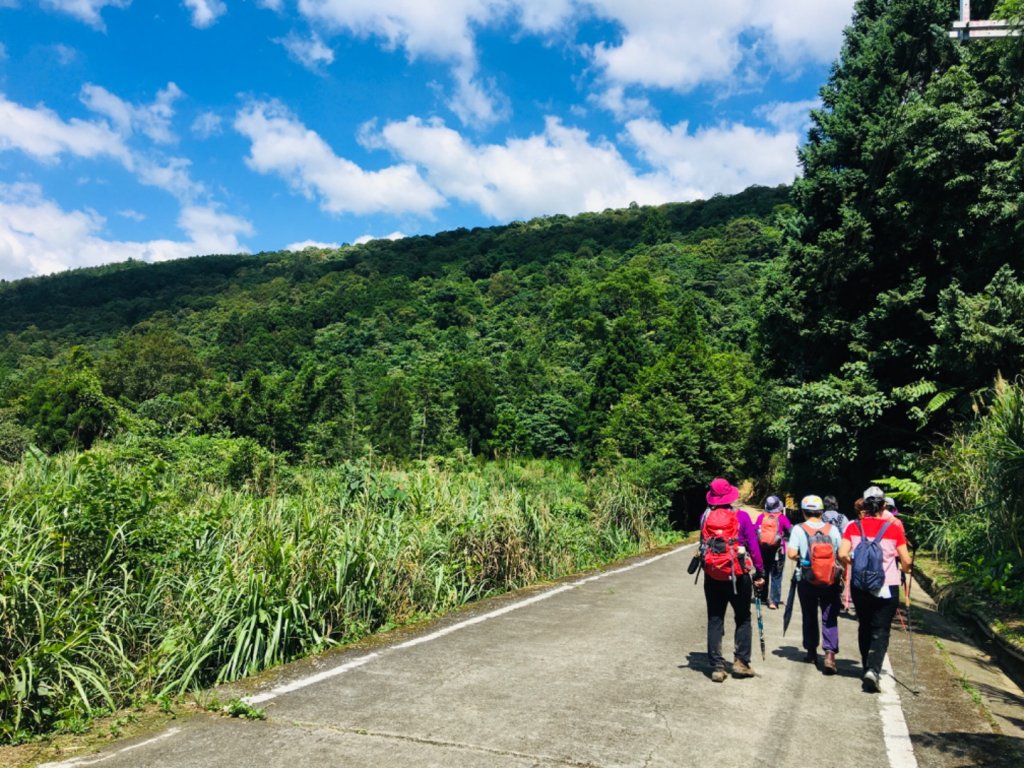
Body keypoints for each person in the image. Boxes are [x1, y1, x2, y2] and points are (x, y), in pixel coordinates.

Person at [838, 487, 913, 692]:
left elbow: (842, 553)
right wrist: (906, 567)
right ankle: (874, 669)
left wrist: (856, 562)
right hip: (886, 586)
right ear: (883, 505)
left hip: (860, 586)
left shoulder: (854, 526)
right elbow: (905, 561)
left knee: (864, 625)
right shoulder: (894, 527)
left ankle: (865, 667)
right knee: (881, 629)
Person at [699, 477, 766, 682]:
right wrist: (760, 572)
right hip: (738, 574)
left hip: (713, 574)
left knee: (715, 618)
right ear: (730, 496)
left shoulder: (705, 516)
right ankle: (741, 663)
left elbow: (703, 543)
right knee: (743, 617)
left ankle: (717, 667)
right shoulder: (742, 516)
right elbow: (753, 546)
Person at [786, 494, 842, 674]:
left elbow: (792, 553)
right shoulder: (832, 529)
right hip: (830, 580)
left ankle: (811, 651)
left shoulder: (798, 529)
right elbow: (840, 553)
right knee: (829, 615)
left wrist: (805, 559)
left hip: (807, 579)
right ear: (821, 512)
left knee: (809, 614)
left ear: (803, 512)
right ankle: (830, 654)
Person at [754, 495, 792, 609]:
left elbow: (756, 530)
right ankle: (774, 601)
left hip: (763, 550)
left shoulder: (761, 516)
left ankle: (762, 597)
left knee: (763, 572)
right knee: (776, 575)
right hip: (778, 551)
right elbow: (790, 530)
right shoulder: (782, 517)